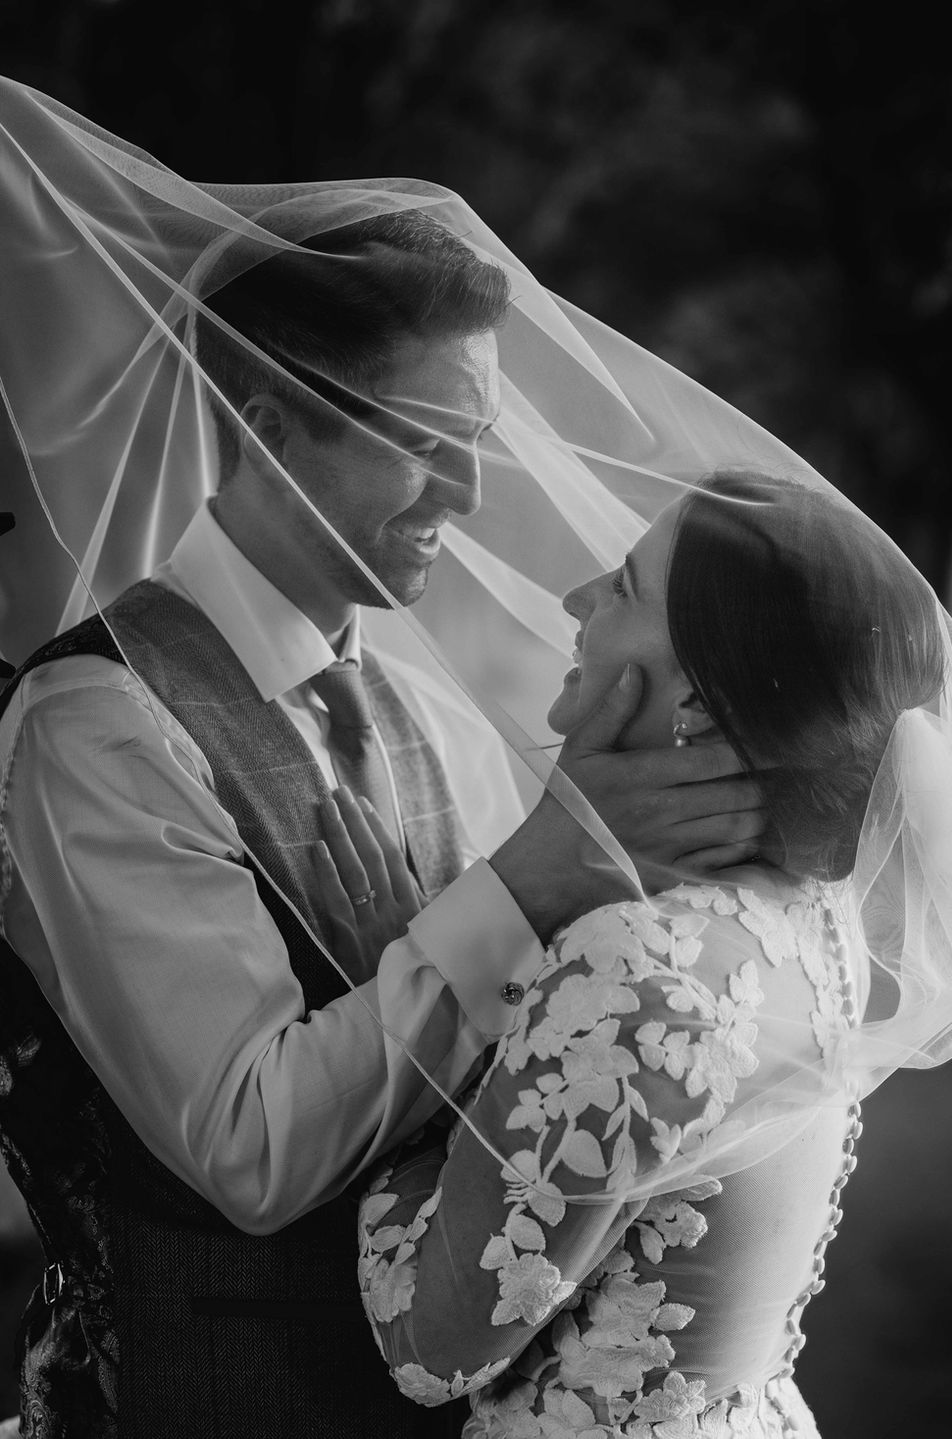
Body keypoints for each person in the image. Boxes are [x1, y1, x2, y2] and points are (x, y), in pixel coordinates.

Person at [0, 81, 762, 1438]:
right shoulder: (96, 724)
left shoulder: (410, 698)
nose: (466, 495)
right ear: (269, 422)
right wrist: (522, 880)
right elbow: (252, 1146)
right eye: (423, 443)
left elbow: (507, 1052)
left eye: (472, 440)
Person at [338, 471, 952, 1437]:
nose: (576, 598)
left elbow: (428, 1344)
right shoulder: (810, 913)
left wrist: (411, 963)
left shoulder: (638, 967)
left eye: (622, 586)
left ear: (700, 707)